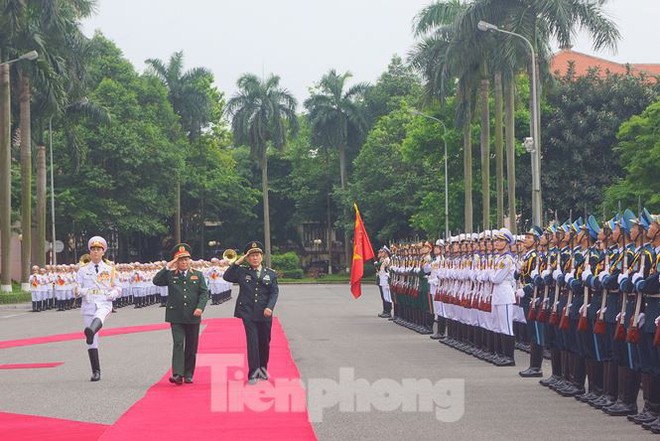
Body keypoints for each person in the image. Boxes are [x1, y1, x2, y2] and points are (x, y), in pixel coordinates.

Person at [223, 241, 279, 385]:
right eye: (252, 256)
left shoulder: (270, 274)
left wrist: (270, 307)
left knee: (264, 343)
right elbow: (227, 276)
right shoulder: (242, 271)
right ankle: (253, 373)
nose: (255, 258)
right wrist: (238, 260)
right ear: (248, 258)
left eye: (257, 255)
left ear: (262, 256)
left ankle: (263, 370)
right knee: (253, 342)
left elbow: (274, 292)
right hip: (248, 312)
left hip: (265, 312)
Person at [153, 243, 209, 385]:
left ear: (189, 260)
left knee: (191, 345)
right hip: (176, 315)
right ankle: (178, 374)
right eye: (180, 260)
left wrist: (200, 308)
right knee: (178, 343)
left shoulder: (197, 275)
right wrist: (167, 266)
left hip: (193, 315)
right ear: (176, 262)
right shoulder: (171, 275)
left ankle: (188, 373)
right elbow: (156, 281)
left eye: (186, 259)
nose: (183, 262)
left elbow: (204, 293)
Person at [76, 236, 121, 382]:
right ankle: (96, 371)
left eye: (98, 249)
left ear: (103, 252)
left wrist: (113, 294)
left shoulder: (110, 269)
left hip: (104, 301)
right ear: (90, 252)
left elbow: (118, 287)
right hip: (89, 302)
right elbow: (77, 288)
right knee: (92, 341)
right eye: (93, 249)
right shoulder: (82, 270)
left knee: (100, 316)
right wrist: (82, 291)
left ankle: (91, 329)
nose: (95, 252)